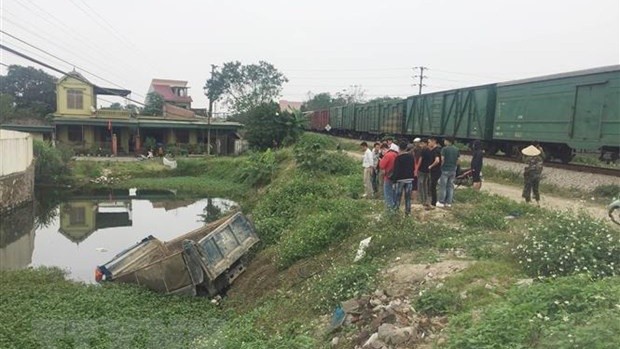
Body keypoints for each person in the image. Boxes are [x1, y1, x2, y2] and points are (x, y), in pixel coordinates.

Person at [392, 142, 415, 215]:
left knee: (398, 197)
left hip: (400, 180)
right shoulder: (411, 157)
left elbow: (396, 170)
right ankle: (408, 213)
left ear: (399, 148)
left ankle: (396, 212)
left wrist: (394, 181)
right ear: (406, 148)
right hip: (409, 180)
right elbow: (413, 168)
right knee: (408, 198)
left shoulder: (398, 158)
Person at [437, 137, 460, 208]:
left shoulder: (444, 149)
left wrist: (440, 167)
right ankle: (449, 202)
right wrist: (454, 166)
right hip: (453, 170)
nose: (444, 142)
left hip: (445, 169)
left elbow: (442, 159)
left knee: (443, 186)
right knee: (450, 186)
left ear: (448, 141)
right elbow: (458, 161)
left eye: (445, 140)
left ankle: (441, 201)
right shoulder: (457, 149)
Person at [378, 143, 398, 209]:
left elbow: (381, 165)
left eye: (382, 151)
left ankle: (389, 210)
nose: (382, 152)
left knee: (388, 194)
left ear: (384, 149)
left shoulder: (387, 155)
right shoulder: (395, 154)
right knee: (394, 194)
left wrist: (381, 160)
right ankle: (395, 208)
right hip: (396, 178)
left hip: (388, 177)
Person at [417, 139, 434, 210]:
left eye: (421, 144)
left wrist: (417, 168)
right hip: (427, 170)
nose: (420, 145)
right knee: (425, 185)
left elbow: (420, 160)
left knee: (421, 185)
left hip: (421, 170)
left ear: (424, 144)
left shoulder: (423, 150)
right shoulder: (430, 150)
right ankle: (426, 200)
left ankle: (422, 201)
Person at [427, 137, 442, 206]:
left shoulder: (436, 150)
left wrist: (431, 166)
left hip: (435, 171)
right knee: (433, 186)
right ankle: (433, 201)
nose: (428, 144)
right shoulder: (436, 150)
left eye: (429, 142)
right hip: (436, 170)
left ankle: (434, 202)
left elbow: (437, 160)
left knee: (433, 186)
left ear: (434, 142)